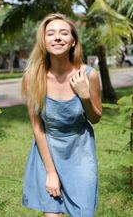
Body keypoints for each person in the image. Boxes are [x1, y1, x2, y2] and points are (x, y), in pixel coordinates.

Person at [22, 13, 102, 217]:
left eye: (63, 33)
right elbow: (38, 127)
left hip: (80, 151)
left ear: (73, 41)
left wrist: (85, 96)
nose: (57, 37)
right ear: (44, 40)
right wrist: (50, 172)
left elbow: (95, 118)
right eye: (51, 33)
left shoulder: (89, 75)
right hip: (47, 152)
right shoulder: (32, 78)